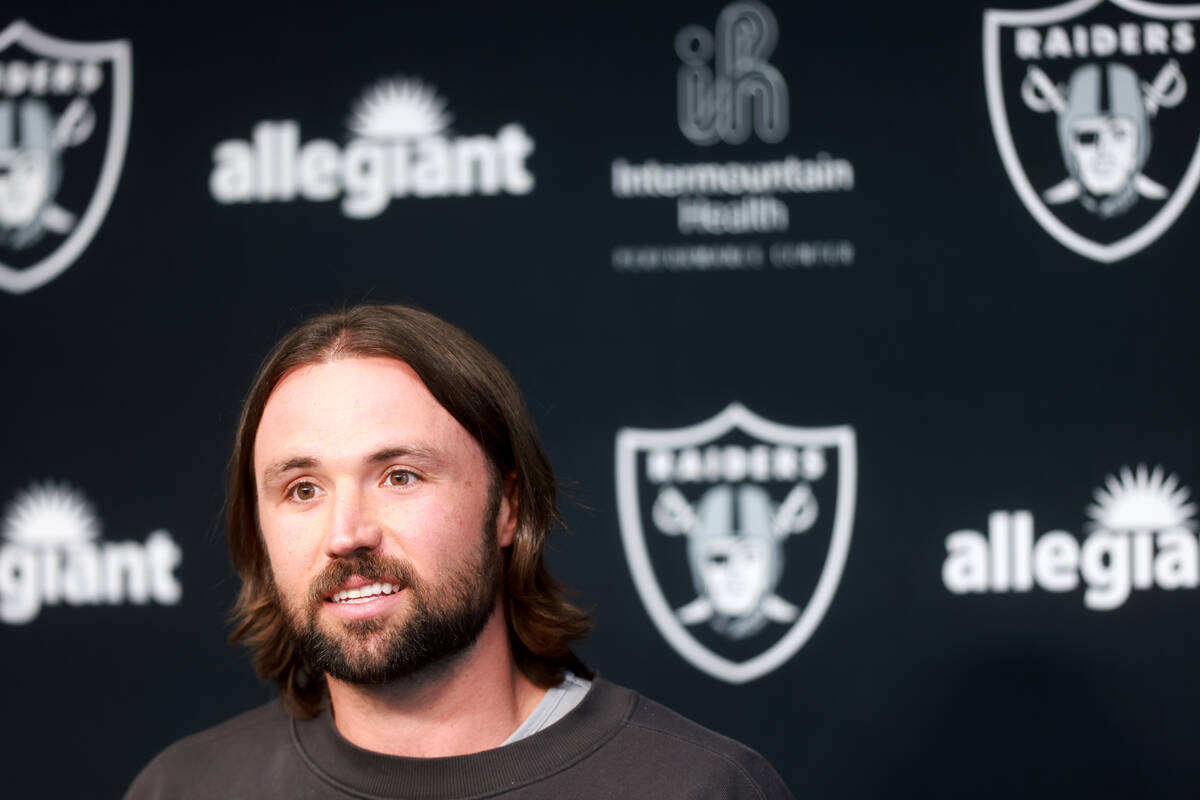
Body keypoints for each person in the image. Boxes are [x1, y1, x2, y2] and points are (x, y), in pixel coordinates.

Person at [124, 304, 793, 799]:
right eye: (302, 489)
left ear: (509, 507)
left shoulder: (699, 789)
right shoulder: (182, 788)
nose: (346, 532)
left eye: (400, 476)